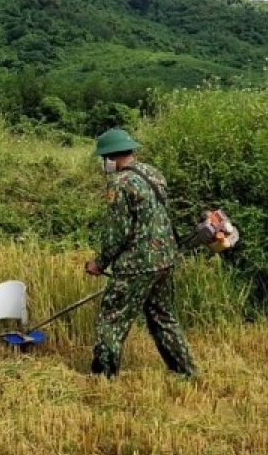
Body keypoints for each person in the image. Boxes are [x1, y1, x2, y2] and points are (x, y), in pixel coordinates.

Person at [84, 128, 196, 379]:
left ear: (111, 157)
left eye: (104, 159)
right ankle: (185, 371)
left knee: (112, 319)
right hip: (165, 260)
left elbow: (117, 233)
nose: (104, 164)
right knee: (164, 318)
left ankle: (103, 376)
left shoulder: (120, 184)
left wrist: (99, 263)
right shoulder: (153, 173)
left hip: (137, 265)